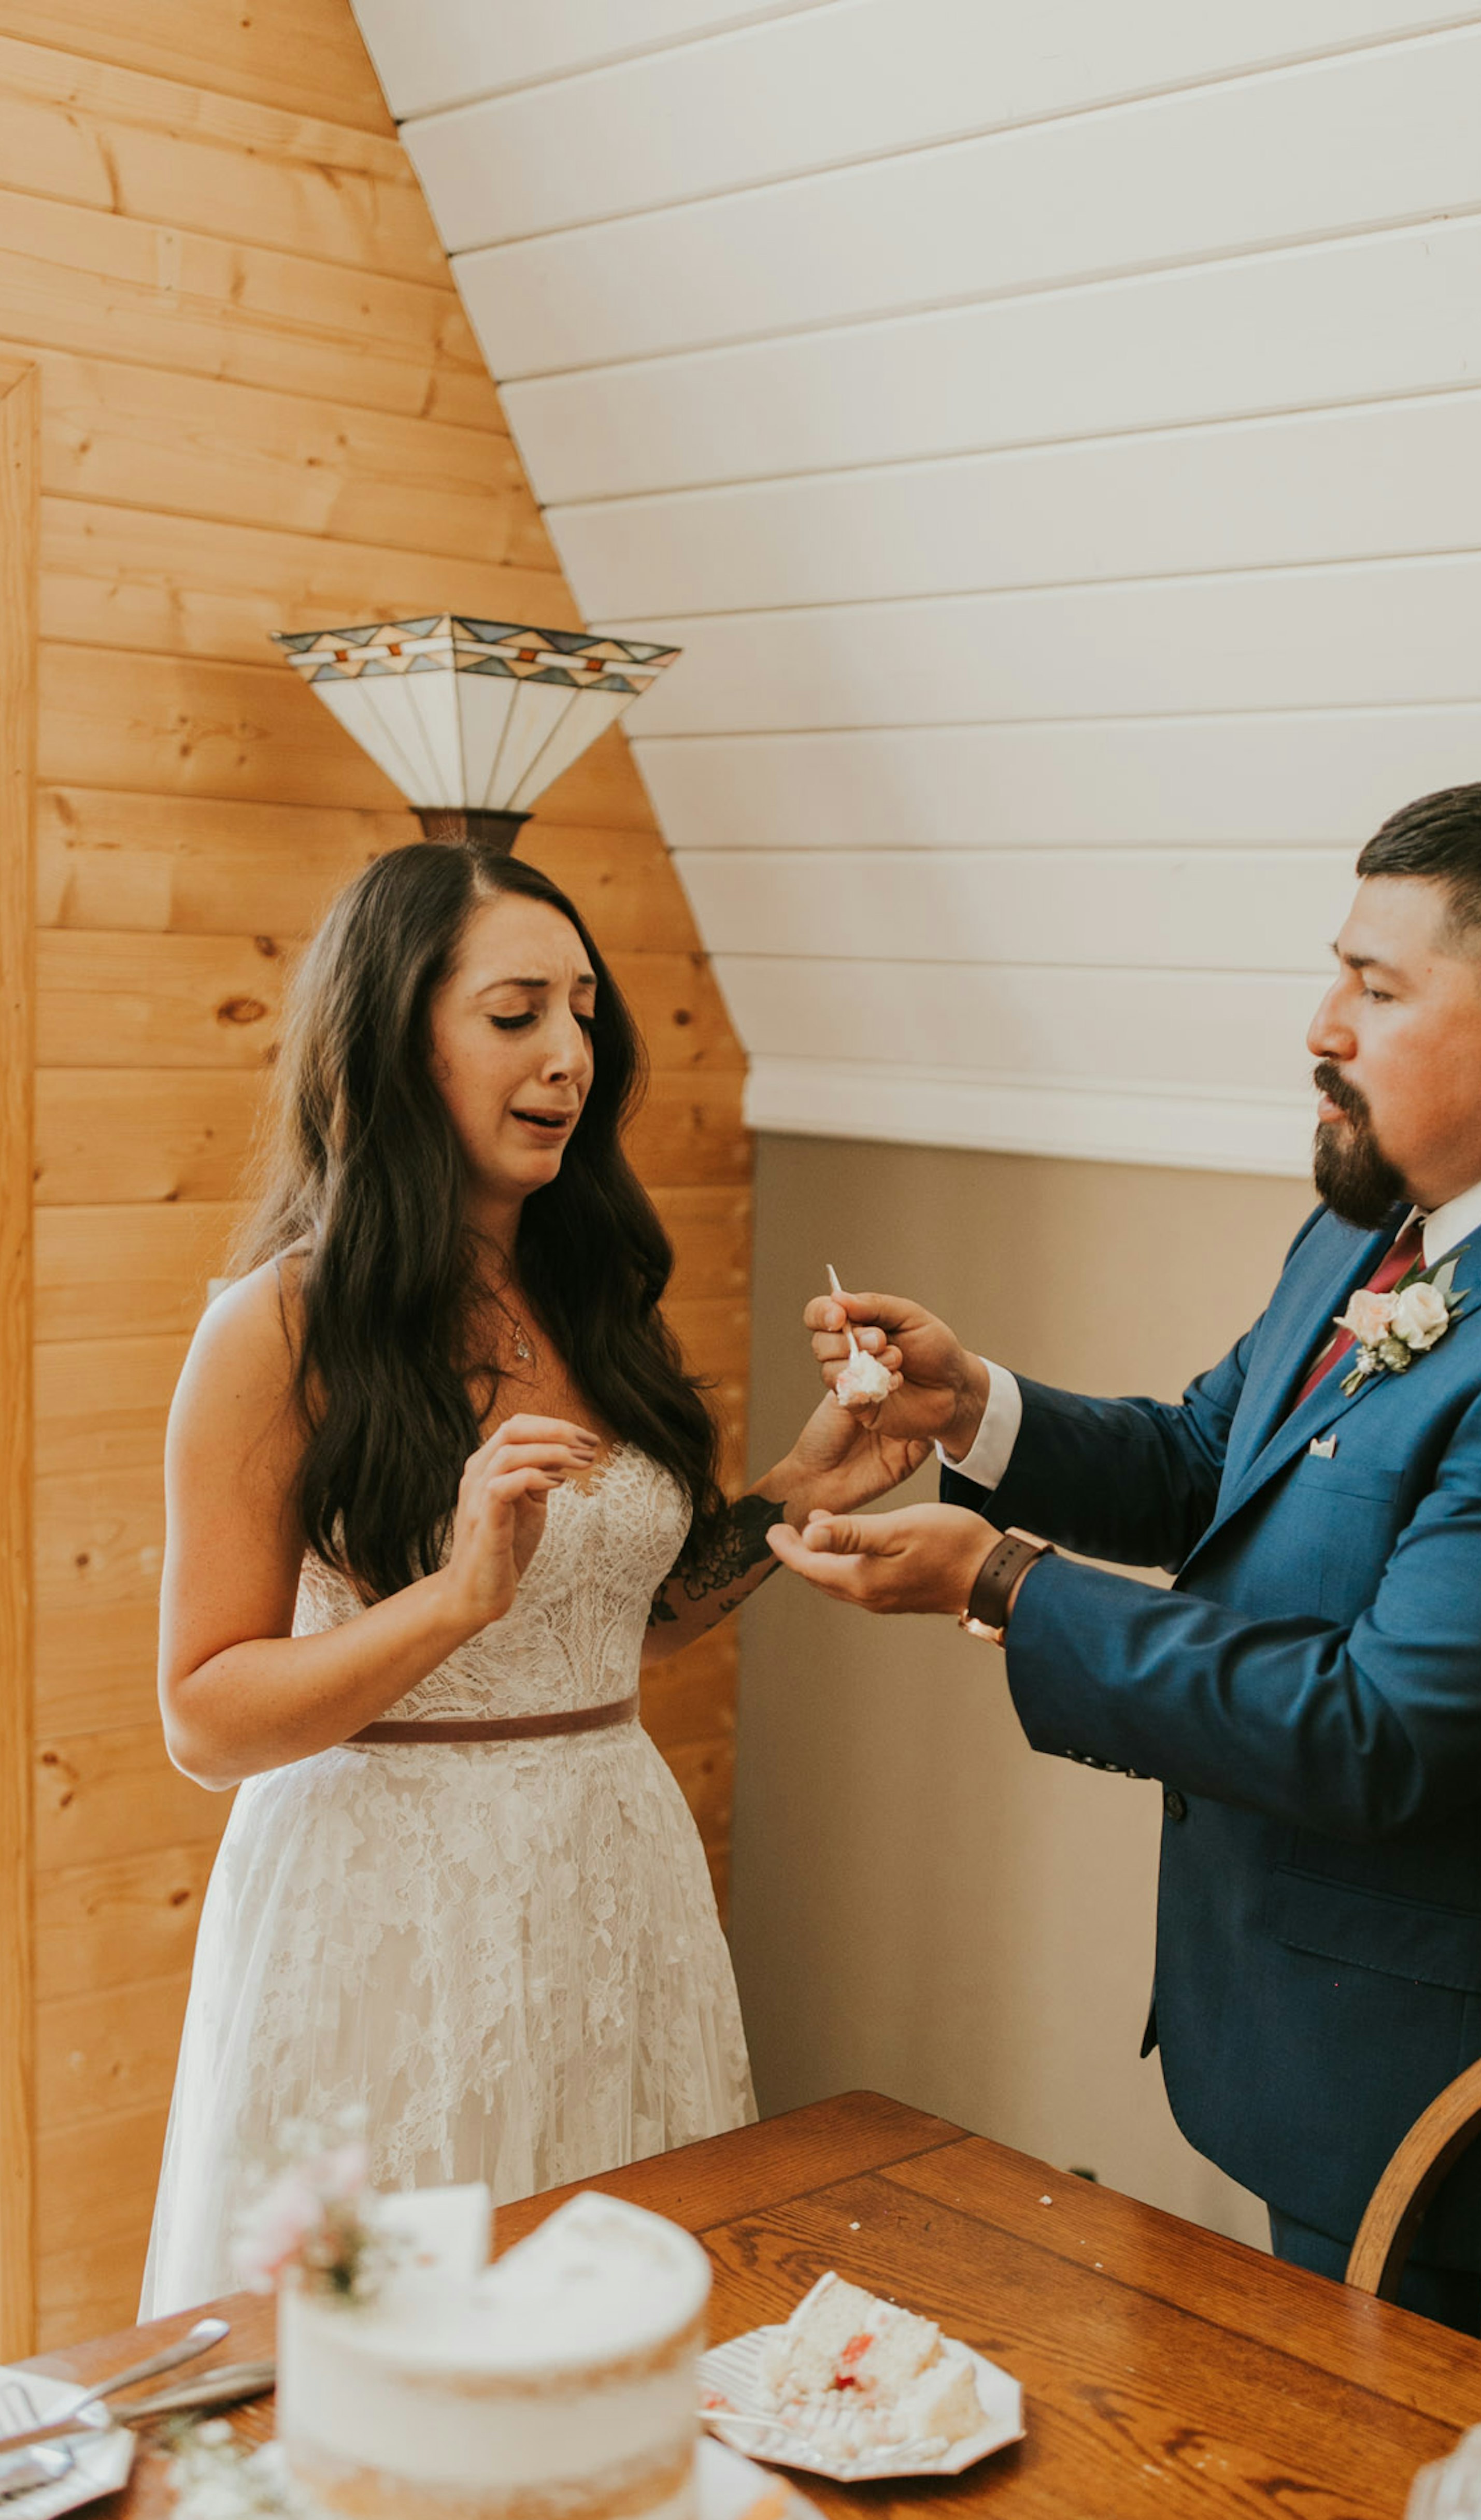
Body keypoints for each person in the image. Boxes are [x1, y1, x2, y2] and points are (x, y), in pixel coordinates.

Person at [769, 781, 1481, 2325]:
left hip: (1468, 2117)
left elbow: (1377, 1728)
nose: (1323, 1024)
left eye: (1379, 988)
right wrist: (976, 1413)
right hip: (1304, 2045)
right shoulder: (1386, 1214)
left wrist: (997, 1583)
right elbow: (1209, 1466)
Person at [141, 840, 920, 2316]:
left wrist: (805, 1483)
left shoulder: (587, 1289)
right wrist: (448, 1598)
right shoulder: (276, 1329)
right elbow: (204, 1718)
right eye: (516, 1016)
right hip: (383, 1910)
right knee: (399, 2354)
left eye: (582, 1014)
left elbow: (636, 1617)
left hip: (612, 1873)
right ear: (395, 1034)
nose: (569, 1056)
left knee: (620, 2326)